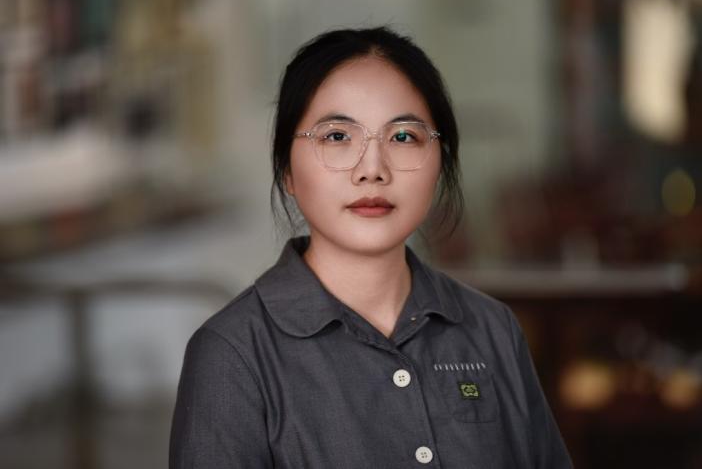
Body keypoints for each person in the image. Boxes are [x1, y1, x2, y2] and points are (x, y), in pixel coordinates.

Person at [169, 26, 572, 468]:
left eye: (403, 137)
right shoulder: (233, 354)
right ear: (286, 168)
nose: (373, 170)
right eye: (337, 137)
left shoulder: (491, 329)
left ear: (440, 164)